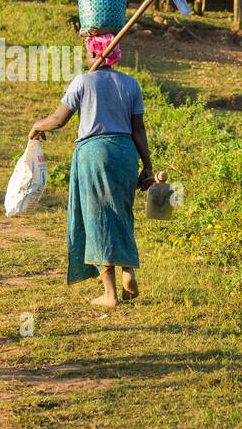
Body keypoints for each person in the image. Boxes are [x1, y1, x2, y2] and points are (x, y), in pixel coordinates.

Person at [30, 33, 153, 306]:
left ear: (94, 56)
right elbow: (138, 129)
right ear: (116, 56)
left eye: (87, 53)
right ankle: (128, 270)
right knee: (122, 212)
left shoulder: (82, 82)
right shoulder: (131, 85)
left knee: (97, 218)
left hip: (94, 153)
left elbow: (59, 120)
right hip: (125, 153)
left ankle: (109, 294)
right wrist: (147, 165)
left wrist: (38, 125)